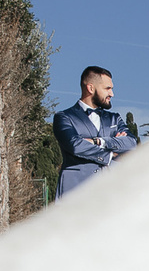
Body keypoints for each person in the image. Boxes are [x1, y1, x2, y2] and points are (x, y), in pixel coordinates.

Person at [52, 65, 139, 196]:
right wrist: (111, 154)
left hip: (107, 193)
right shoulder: (64, 117)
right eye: (107, 88)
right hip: (74, 192)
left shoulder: (114, 119)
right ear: (91, 88)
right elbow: (75, 146)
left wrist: (99, 141)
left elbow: (131, 143)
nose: (112, 94)